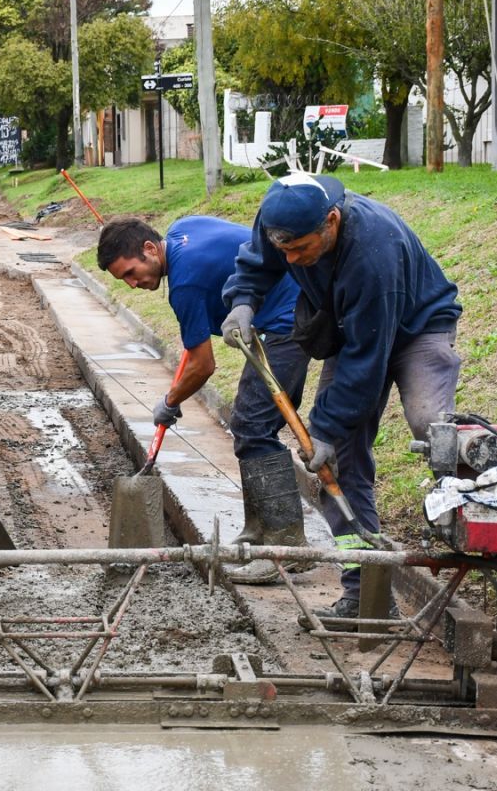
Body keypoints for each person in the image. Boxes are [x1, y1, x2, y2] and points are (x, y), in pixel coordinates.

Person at [221, 174, 461, 628]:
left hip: (417, 327)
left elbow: (365, 364)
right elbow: (258, 264)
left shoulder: (375, 252)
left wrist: (327, 428)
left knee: (431, 427)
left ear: (331, 220)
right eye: (285, 249)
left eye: (300, 250)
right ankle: (364, 592)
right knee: (336, 465)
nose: (291, 259)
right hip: (352, 328)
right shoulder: (283, 217)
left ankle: (478, 503)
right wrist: (243, 302)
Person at [97, 215, 312, 584]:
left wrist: (170, 400)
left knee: (252, 426)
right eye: (124, 281)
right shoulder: (183, 229)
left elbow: (203, 364)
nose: (133, 284)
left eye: (131, 273)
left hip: (291, 317)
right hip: (284, 305)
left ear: (150, 249)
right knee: (250, 425)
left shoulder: (185, 285)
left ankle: (286, 547)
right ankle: (258, 530)